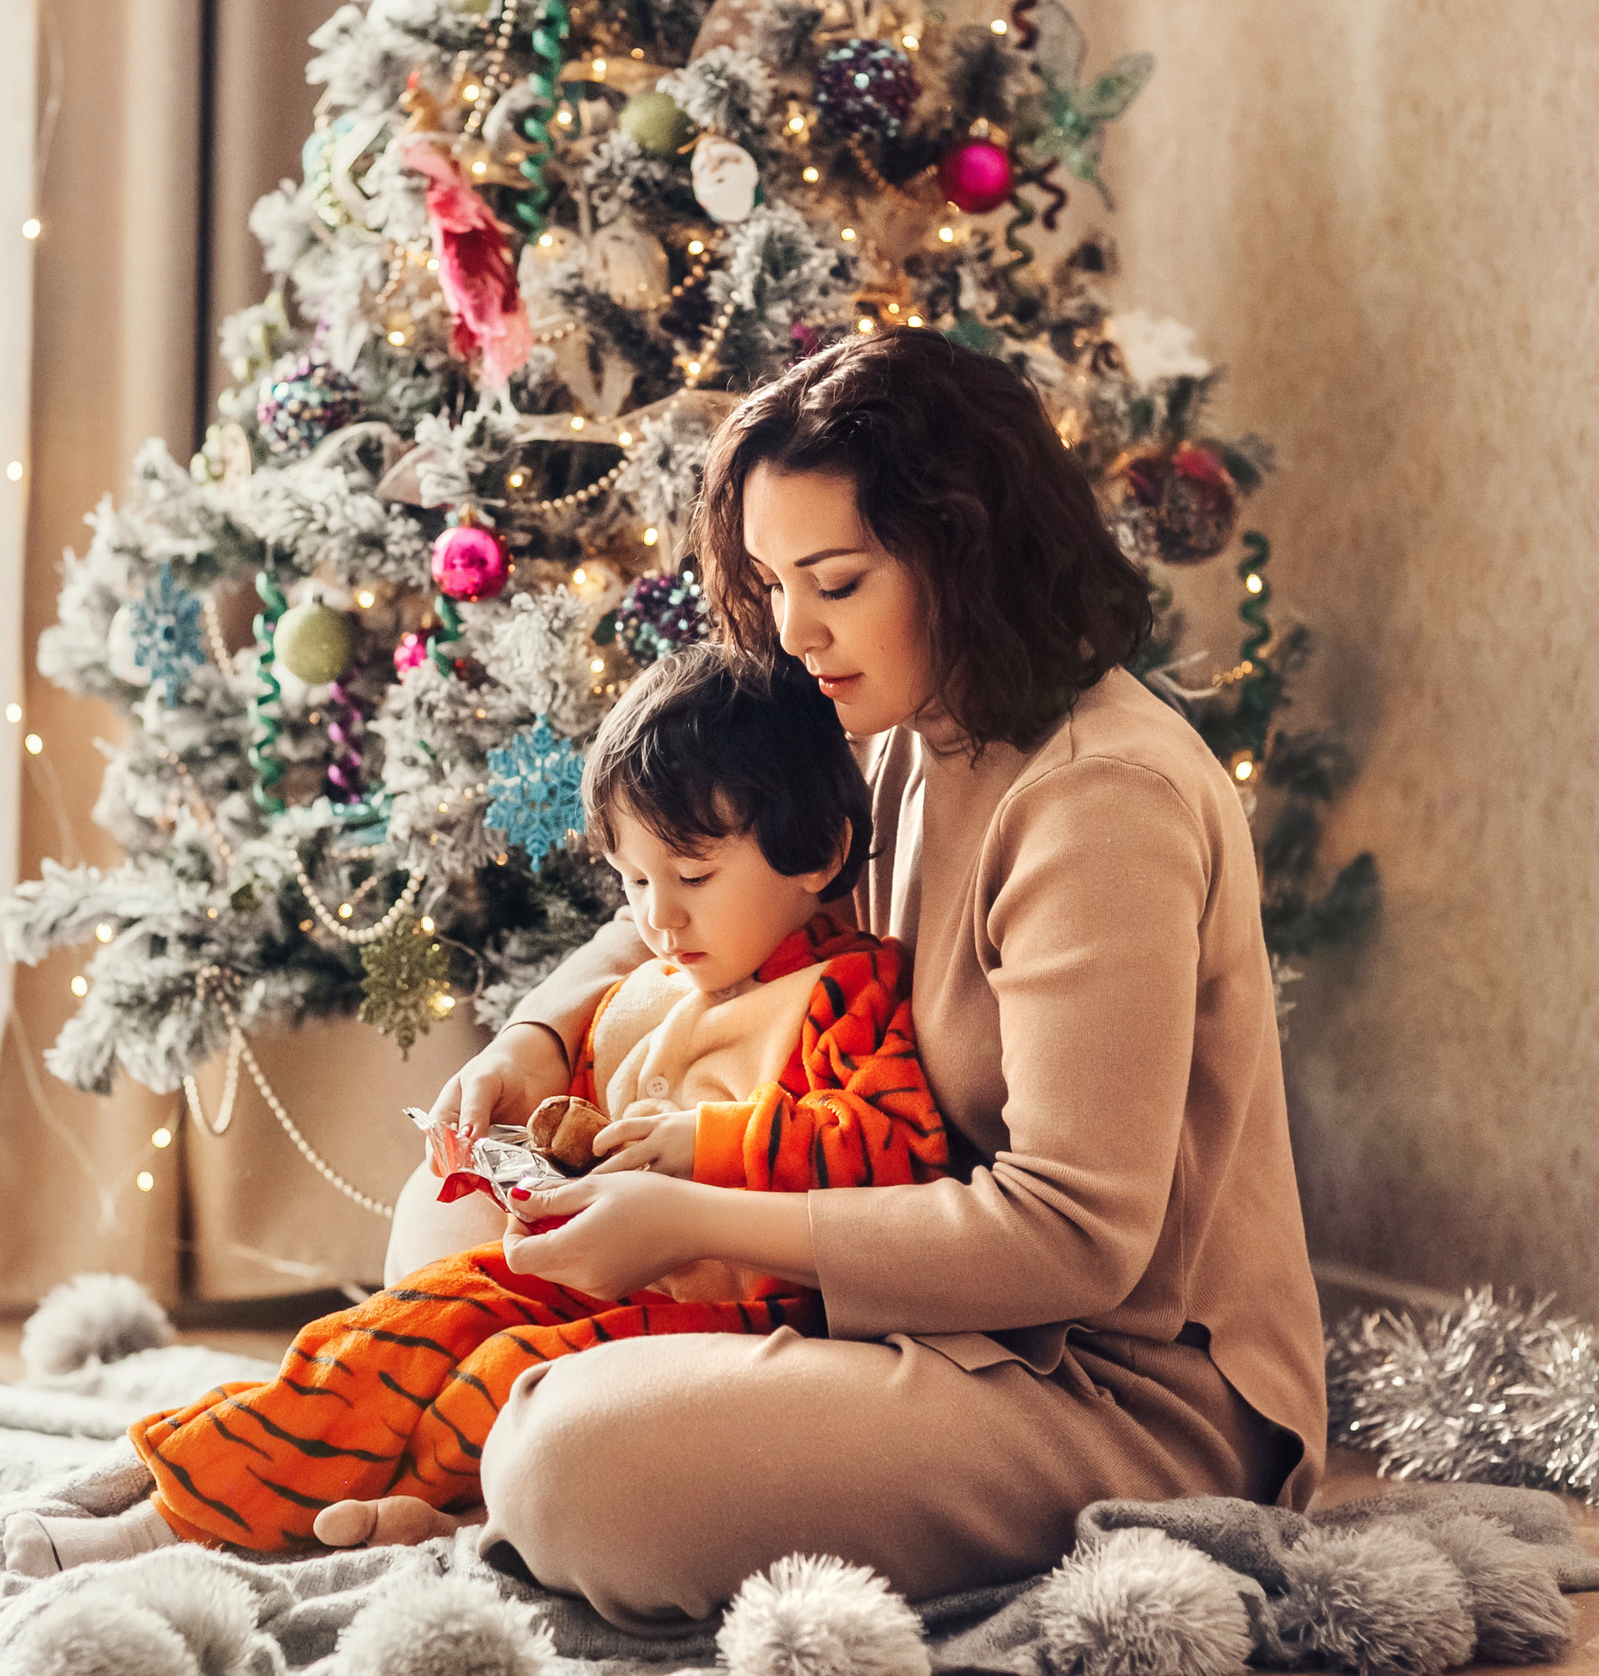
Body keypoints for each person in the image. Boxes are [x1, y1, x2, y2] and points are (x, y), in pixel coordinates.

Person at [318, 327, 1329, 1635]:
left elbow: (1078, 1238)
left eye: (836, 581)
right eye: (769, 580)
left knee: (575, 1459)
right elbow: (711, 893)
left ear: (968, 554)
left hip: (1114, 1390)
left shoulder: (1101, 799)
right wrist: (534, 1039)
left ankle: (500, 1498)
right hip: (905, 1314)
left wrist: (692, 1216)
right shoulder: (893, 723)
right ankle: (492, 1498)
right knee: (454, 1212)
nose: (793, 631)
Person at [1, 644, 948, 1574]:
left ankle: (339, 1515)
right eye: (633, 880)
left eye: (693, 877)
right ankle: (181, 1497)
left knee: (499, 1381)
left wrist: (707, 1143)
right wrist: (530, 1157)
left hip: (744, 1324)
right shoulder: (657, 985)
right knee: (395, 1333)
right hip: (597, 1281)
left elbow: (897, 1146)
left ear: (819, 853)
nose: (659, 918)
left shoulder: (848, 990)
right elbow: (594, 1119)